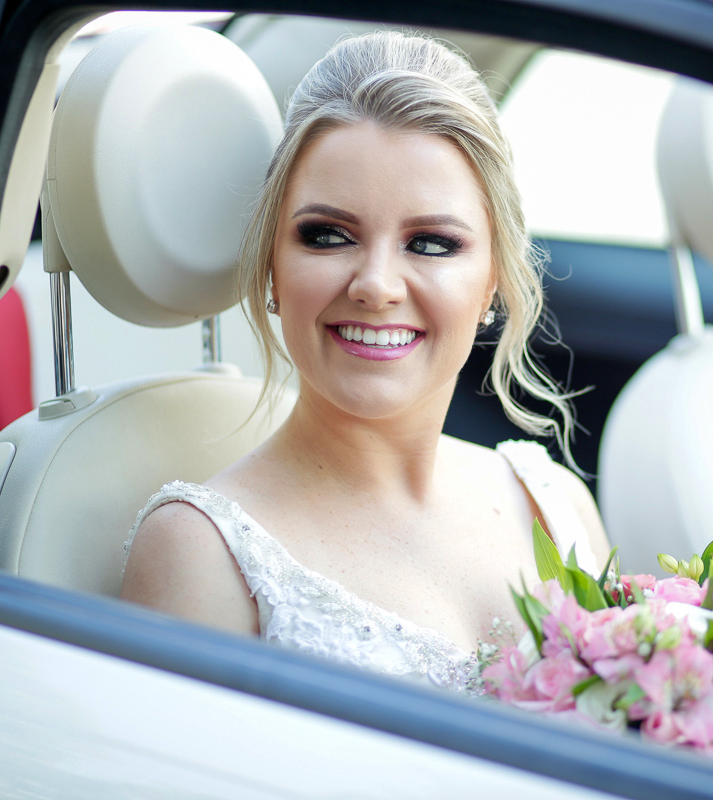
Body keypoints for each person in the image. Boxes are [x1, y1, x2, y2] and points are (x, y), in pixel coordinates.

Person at [120, 31, 611, 694]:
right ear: (271, 264)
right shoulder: (199, 555)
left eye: (431, 243)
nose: (376, 285)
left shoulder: (554, 504)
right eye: (327, 236)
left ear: (492, 278)